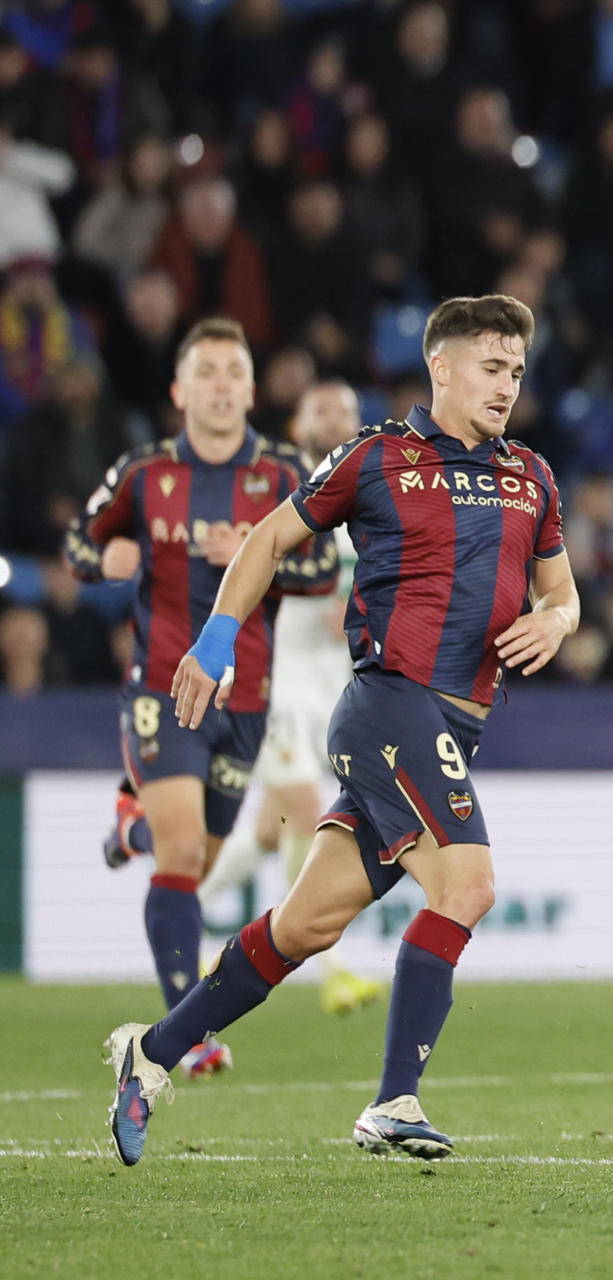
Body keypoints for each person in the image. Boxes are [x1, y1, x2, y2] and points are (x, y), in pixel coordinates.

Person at [102, 295, 579, 1167]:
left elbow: (564, 592)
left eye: (516, 369)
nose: (507, 383)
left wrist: (558, 621)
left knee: (302, 928)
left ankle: (150, 1054)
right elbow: (267, 540)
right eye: (489, 365)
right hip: (390, 705)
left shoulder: (533, 476)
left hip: (456, 728)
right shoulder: (378, 456)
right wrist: (215, 642)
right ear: (441, 365)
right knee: (466, 886)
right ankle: (395, 1101)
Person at [65, 316, 339, 1078]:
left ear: (252, 391)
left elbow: (323, 568)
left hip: (248, 699)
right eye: (207, 373)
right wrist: (107, 554)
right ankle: (188, 1036)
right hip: (162, 685)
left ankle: (131, 831)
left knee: (199, 857)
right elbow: (78, 541)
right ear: (180, 390)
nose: (221, 387)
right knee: (184, 851)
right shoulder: (145, 473)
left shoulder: (286, 474)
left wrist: (255, 556)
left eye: (233, 372)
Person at [192, 380, 381, 1018]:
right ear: (297, 420)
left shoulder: (370, 495)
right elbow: (255, 561)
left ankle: (186, 914)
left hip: (335, 687)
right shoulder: (280, 488)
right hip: (276, 682)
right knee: (305, 813)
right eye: (321, 408)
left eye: (347, 410)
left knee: (272, 829)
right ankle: (333, 970)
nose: (336, 419)